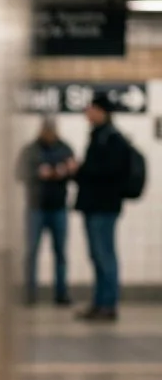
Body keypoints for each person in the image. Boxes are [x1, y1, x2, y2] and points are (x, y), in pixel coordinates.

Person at [72, 94, 131, 320]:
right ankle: (100, 303)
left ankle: (108, 304)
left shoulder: (111, 139)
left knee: (105, 255)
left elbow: (109, 172)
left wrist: (80, 170)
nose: (87, 113)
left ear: (101, 111)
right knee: (97, 256)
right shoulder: (100, 136)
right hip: (95, 205)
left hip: (103, 207)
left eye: (91, 109)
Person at [16, 118, 75, 305]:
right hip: (36, 208)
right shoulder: (30, 150)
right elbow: (19, 173)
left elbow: (74, 171)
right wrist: (38, 173)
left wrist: (64, 172)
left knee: (60, 253)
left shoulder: (65, 149)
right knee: (31, 252)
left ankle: (61, 293)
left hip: (58, 207)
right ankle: (30, 293)